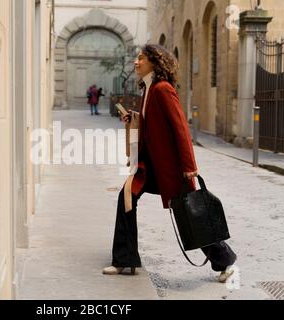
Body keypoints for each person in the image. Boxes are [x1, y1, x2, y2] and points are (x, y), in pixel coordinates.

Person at [102, 44, 237, 283]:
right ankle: (124, 259)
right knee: (126, 198)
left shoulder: (163, 89)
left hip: (170, 169)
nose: (136, 62)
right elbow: (151, 123)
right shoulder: (148, 89)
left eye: (141, 58)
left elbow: (180, 128)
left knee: (191, 213)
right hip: (149, 166)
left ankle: (224, 260)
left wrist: (189, 167)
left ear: (155, 62)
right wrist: (132, 117)